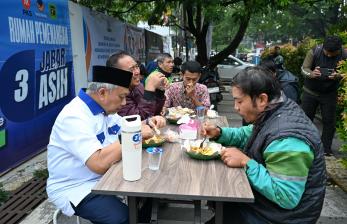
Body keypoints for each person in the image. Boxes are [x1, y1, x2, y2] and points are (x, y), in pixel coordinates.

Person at [203, 67, 326, 224]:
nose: (236, 107)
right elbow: (249, 133)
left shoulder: (288, 139)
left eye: (239, 101)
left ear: (261, 99)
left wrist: (245, 162)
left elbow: (286, 197)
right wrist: (219, 133)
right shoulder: (275, 110)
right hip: (266, 205)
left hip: (281, 216)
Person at [46, 65, 166, 224]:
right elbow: (99, 163)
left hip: (108, 176)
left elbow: (125, 127)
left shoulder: (105, 110)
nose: (124, 103)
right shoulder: (74, 117)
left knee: (150, 191)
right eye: (122, 97)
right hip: (78, 187)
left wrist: (149, 122)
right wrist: (134, 134)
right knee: (123, 217)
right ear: (102, 93)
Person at [301, 35, 347, 156]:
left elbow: (345, 72)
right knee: (306, 120)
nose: (329, 56)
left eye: (333, 54)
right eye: (327, 53)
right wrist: (311, 73)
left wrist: (338, 75)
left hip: (329, 93)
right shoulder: (314, 51)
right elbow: (304, 68)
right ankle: (304, 146)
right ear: (323, 48)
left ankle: (326, 149)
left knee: (329, 122)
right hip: (310, 92)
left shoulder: (344, 54)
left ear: (339, 49)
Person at [108, 51, 168, 120]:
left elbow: (154, 113)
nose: (137, 72)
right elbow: (138, 121)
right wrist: (149, 90)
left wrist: (159, 90)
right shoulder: (116, 95)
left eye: (136, 67)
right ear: (117, 74)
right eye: (131, 69)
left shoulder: (138, 86)